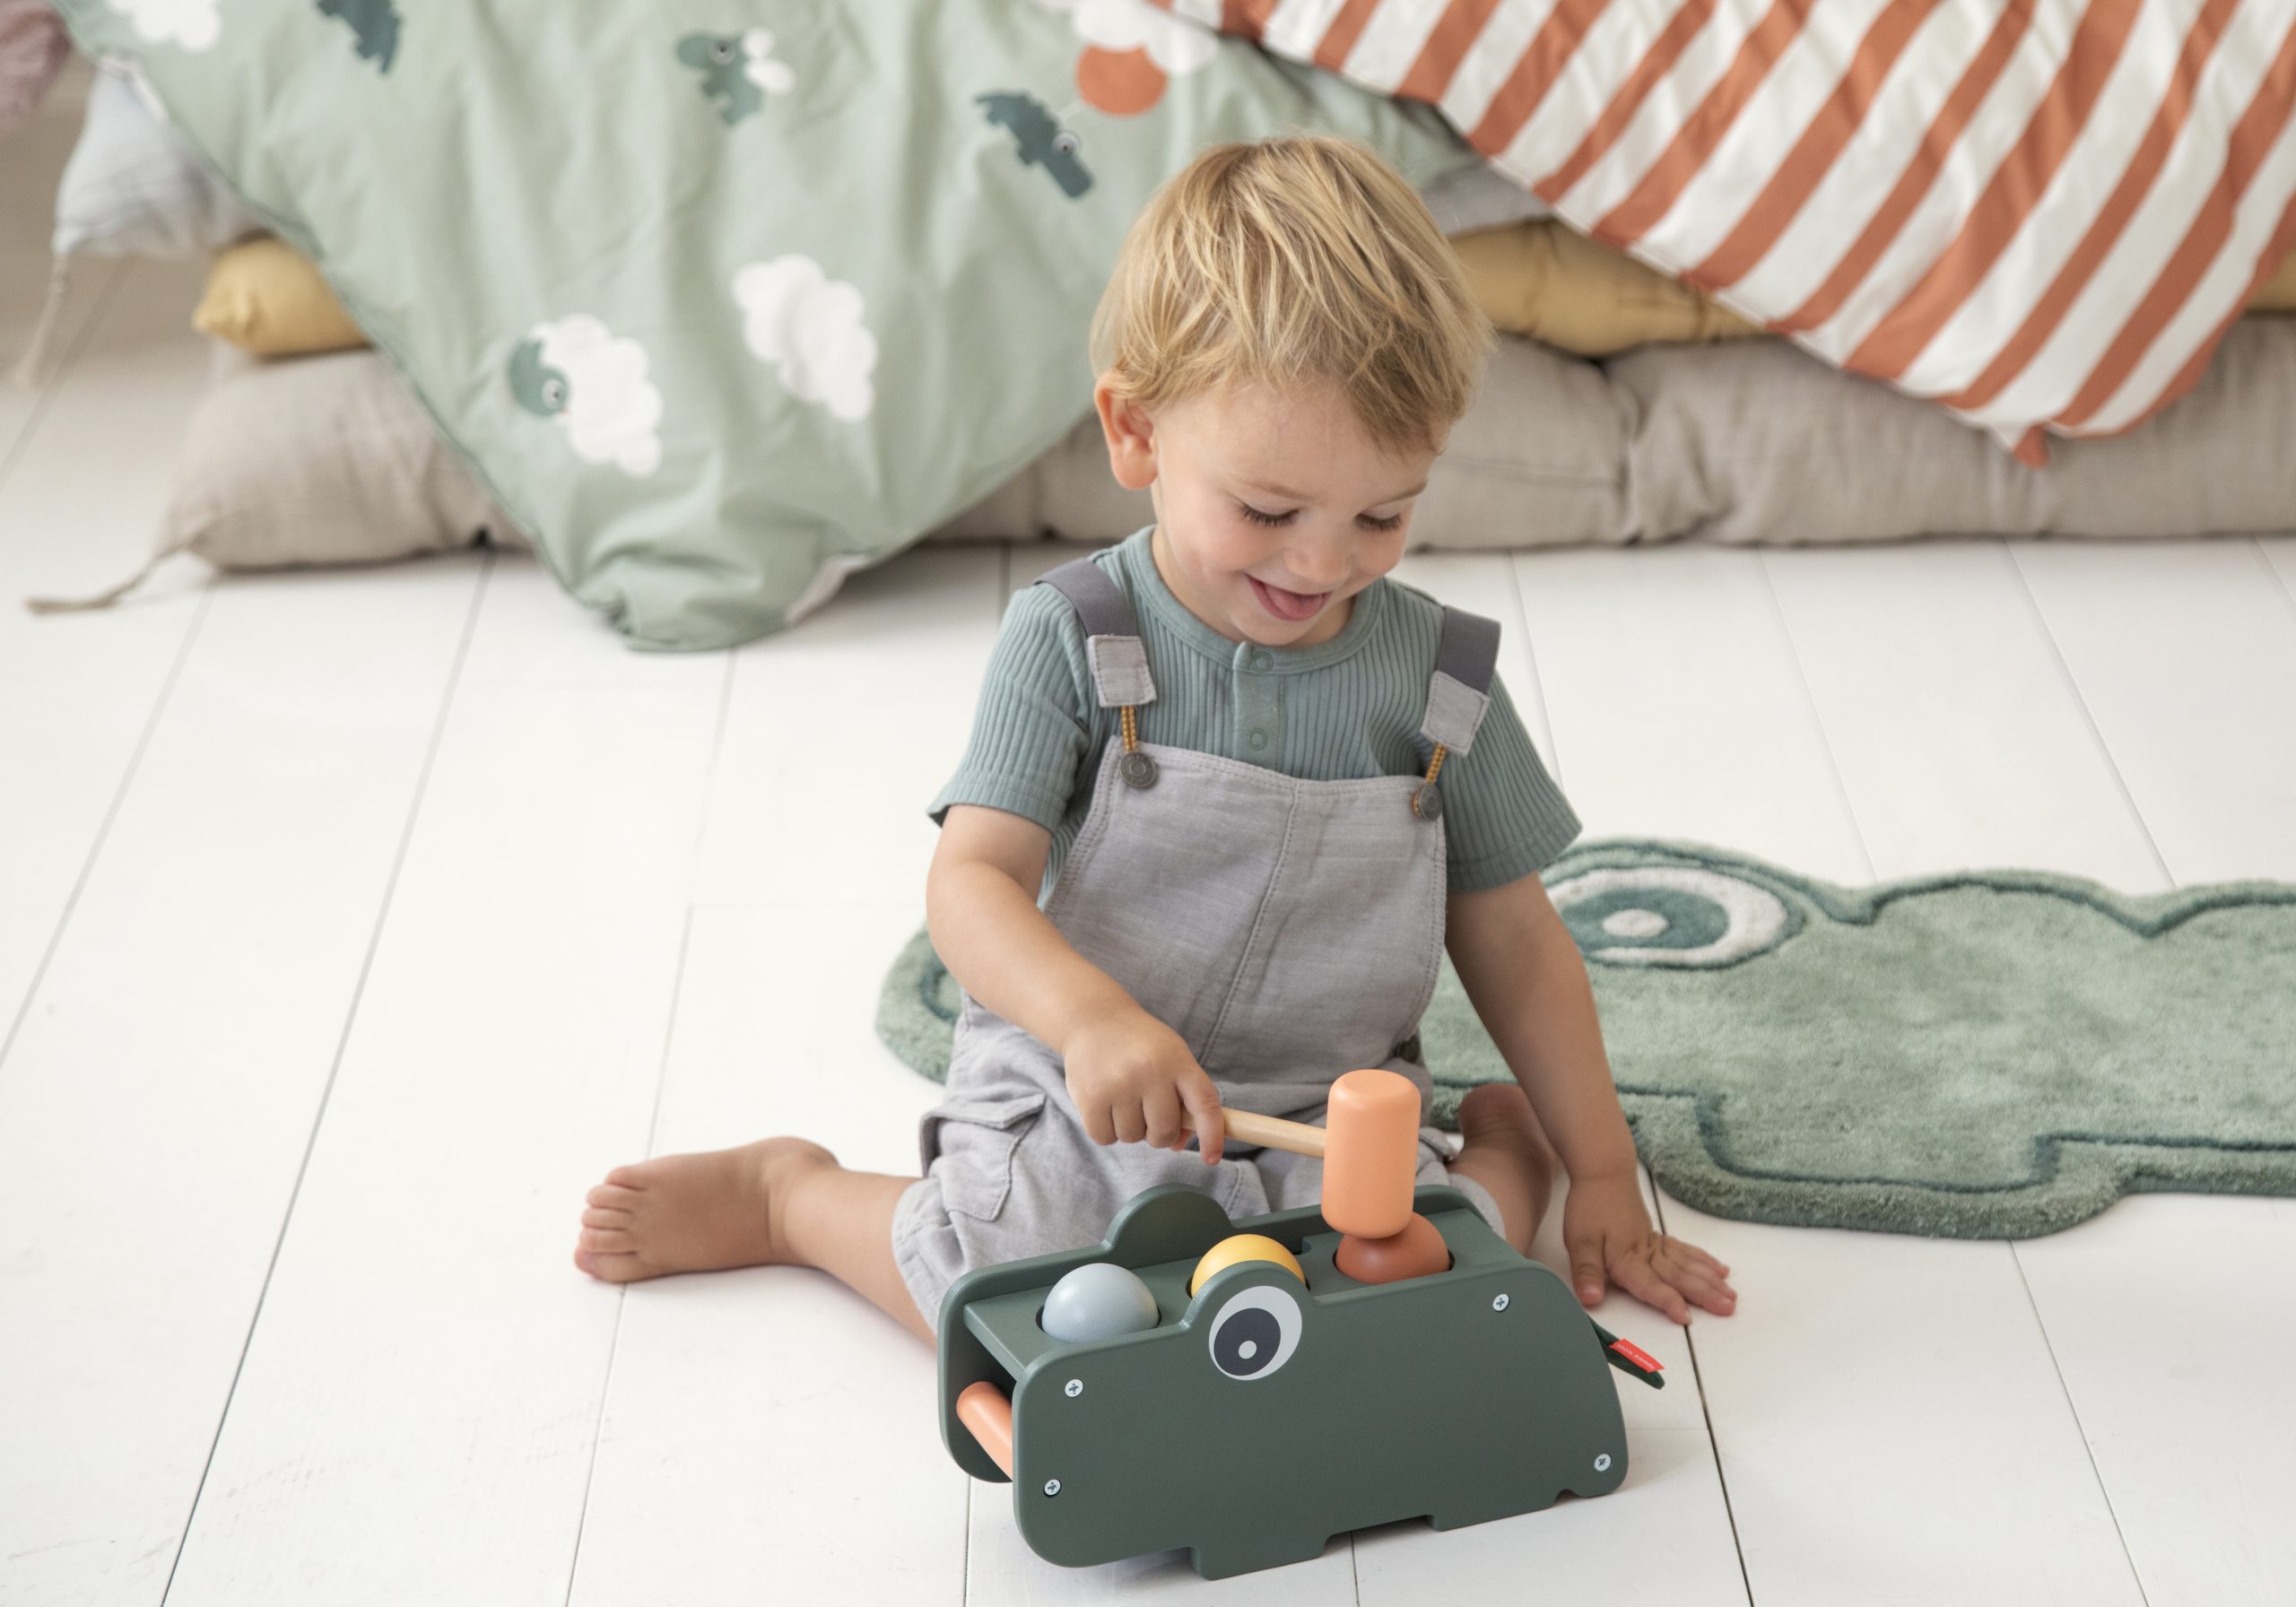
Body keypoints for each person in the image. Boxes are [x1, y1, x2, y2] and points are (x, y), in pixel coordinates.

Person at [573, 136, 1736, 1341]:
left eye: (1383, 514)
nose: (1323, 564)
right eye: (1269, 510)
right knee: (1018, 1288)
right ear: (1136, 435)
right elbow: (972, 885)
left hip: (1317, 1111)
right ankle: (795, 1198)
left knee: (1407, 1295)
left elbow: (1516, 938)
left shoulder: (1441, 680)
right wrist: (1088, 1020)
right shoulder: (1071, 639)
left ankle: (1516, 1158)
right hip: (1087, 1089)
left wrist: (1604, 1172)